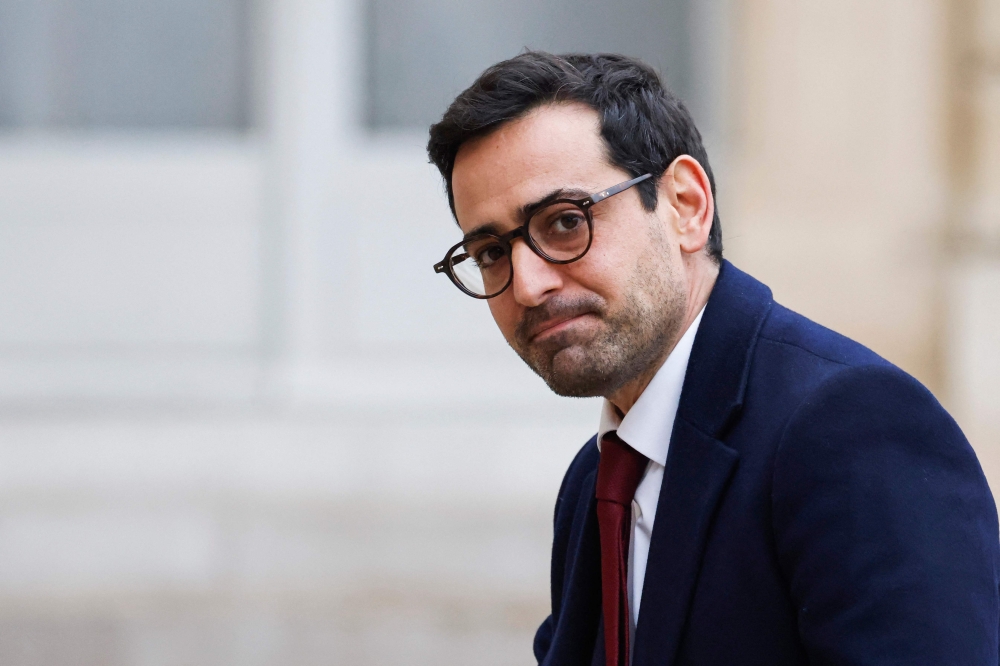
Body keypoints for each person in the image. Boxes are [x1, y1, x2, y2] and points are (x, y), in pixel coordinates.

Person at [426, 51, 999, 666]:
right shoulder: (596, 483)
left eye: (566, 222)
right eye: (490, 253)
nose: (527, 284)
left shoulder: (848, 427)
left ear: (685, 206)